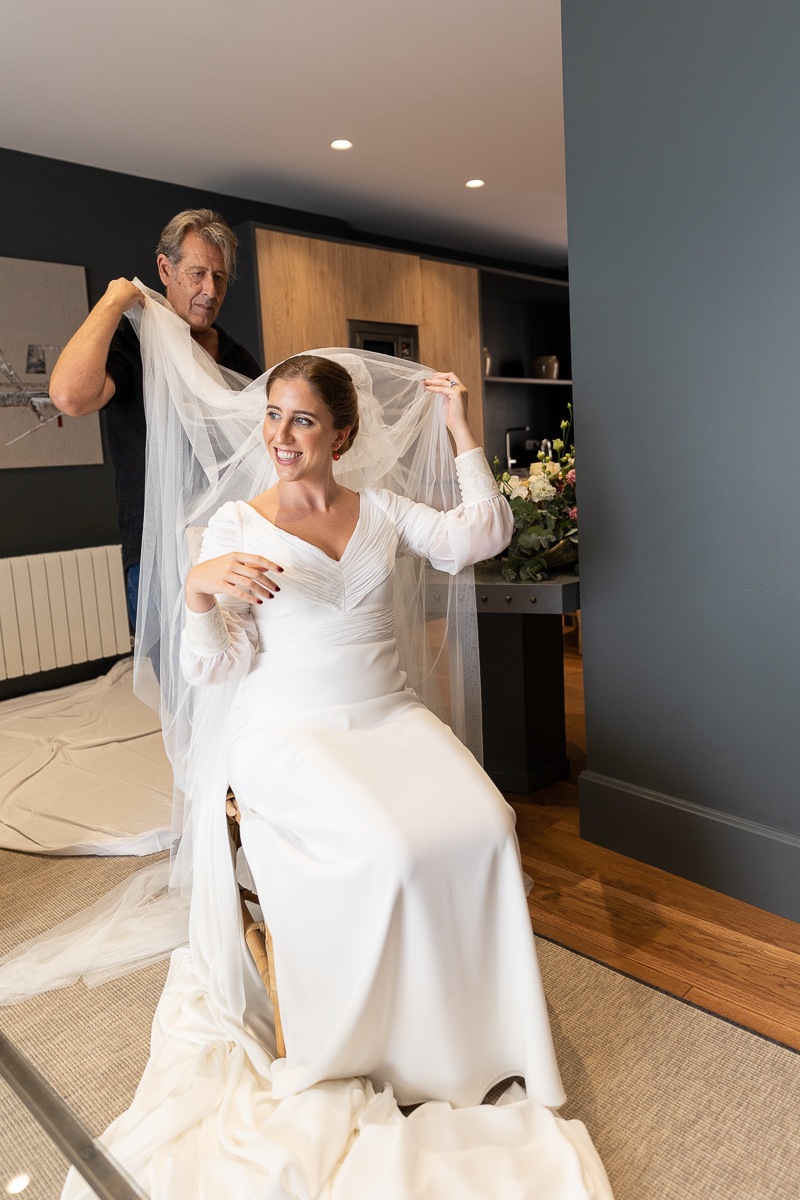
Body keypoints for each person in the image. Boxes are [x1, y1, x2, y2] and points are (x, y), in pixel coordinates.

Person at [51, 291, 612, 1197]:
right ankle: (380, 1041)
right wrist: (198, 591)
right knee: (390, 849)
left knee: (489, 826)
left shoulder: (382, 510)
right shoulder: (235, 526)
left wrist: (460, 428)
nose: (279, 434)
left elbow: (483, 534)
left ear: (342, 436)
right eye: (273, 415)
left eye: (302, 420)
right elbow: (210, 669)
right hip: (287, 729)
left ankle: (476, 1034)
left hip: (390, 717)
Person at [49, 209, 262, 624]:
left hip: (231, 545)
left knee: (239, 662)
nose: (210, 290)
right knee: (172, 665)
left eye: (220, 278)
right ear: (165, 268)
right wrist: (113, 300)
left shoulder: (236, 358)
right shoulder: (133, 345)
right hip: (156, 553)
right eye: (198, 273)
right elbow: (69, 397)